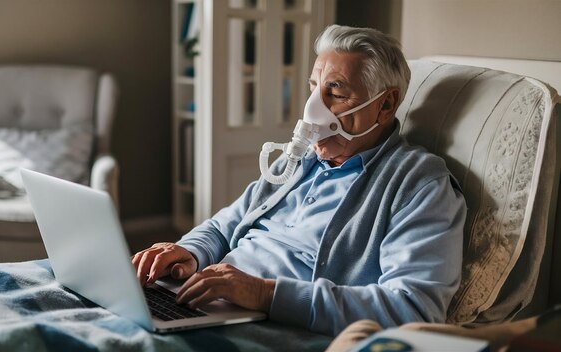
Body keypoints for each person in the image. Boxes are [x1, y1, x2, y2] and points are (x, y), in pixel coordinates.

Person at [132, 25, 467, 337]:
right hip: (210, 302)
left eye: (335, 93)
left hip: (272, 327)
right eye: (313, 88)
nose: (312, 110)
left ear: (386, 104)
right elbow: (226, 224)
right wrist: (188, 251)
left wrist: (263, 294)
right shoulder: (300, 160)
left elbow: (414, 309)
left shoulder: (418, 184)